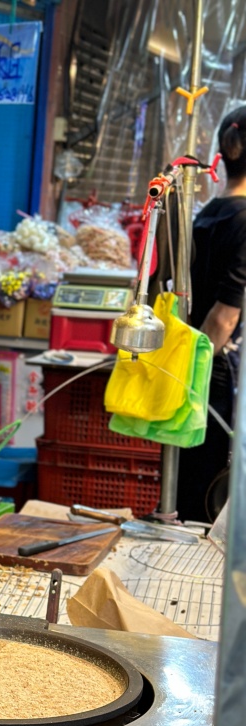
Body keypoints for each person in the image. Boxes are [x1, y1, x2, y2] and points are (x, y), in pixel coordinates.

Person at [176, 105, 246, 523]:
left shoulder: (208, 212)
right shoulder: (244, 219)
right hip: (215, 374)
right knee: (208, 502)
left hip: (196, 366)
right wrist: (196, 377)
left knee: (193, 490)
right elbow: (223, 318)